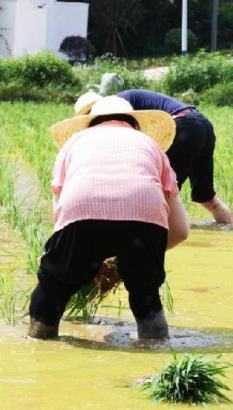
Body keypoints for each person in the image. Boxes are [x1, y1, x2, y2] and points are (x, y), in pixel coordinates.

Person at [30, 96, 189, 341]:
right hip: (144, 218)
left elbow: (61, 217)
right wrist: (132, 258)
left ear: (91, 124)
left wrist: (72, 259)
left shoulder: (74, 142)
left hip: (82, 212)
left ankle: (39, 343)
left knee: (54, 287)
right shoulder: (150, 145)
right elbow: (180, 231)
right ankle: (155, 350)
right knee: (146, 293)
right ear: (135, 124)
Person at [83, 88, 233, 225]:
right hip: (202, 124)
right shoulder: (124, 102)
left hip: (184, 126)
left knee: (160, 192)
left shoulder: (119, 107)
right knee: (206, 196)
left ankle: (149, 237)